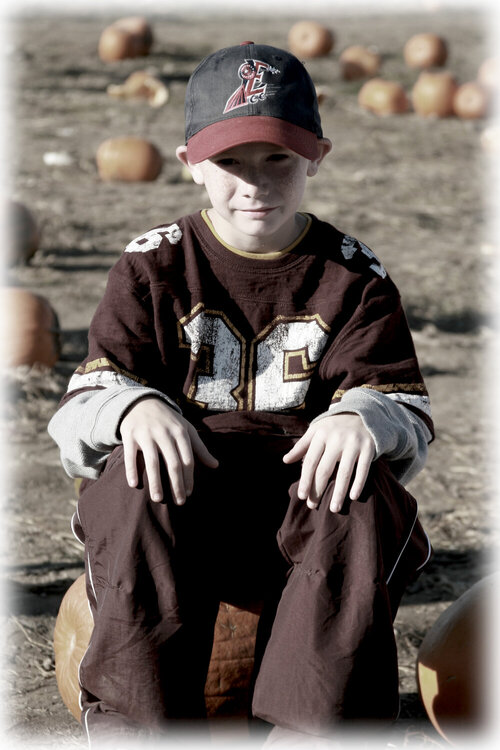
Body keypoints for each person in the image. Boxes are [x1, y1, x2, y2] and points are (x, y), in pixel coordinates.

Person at [48, 42, 434, 748]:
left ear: (317, 154)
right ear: (190, 161)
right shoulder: (153, 264)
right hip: (185, 498)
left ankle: (315, 729)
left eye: (277, 160)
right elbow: (81, 409)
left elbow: (404, 406)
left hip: (302, 500)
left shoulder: (352, 275)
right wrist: (134, 406)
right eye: (230, 163)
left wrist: (362, 416)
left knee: (354, 493)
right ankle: (140, 728)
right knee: (132, 483)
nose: (254, 184)